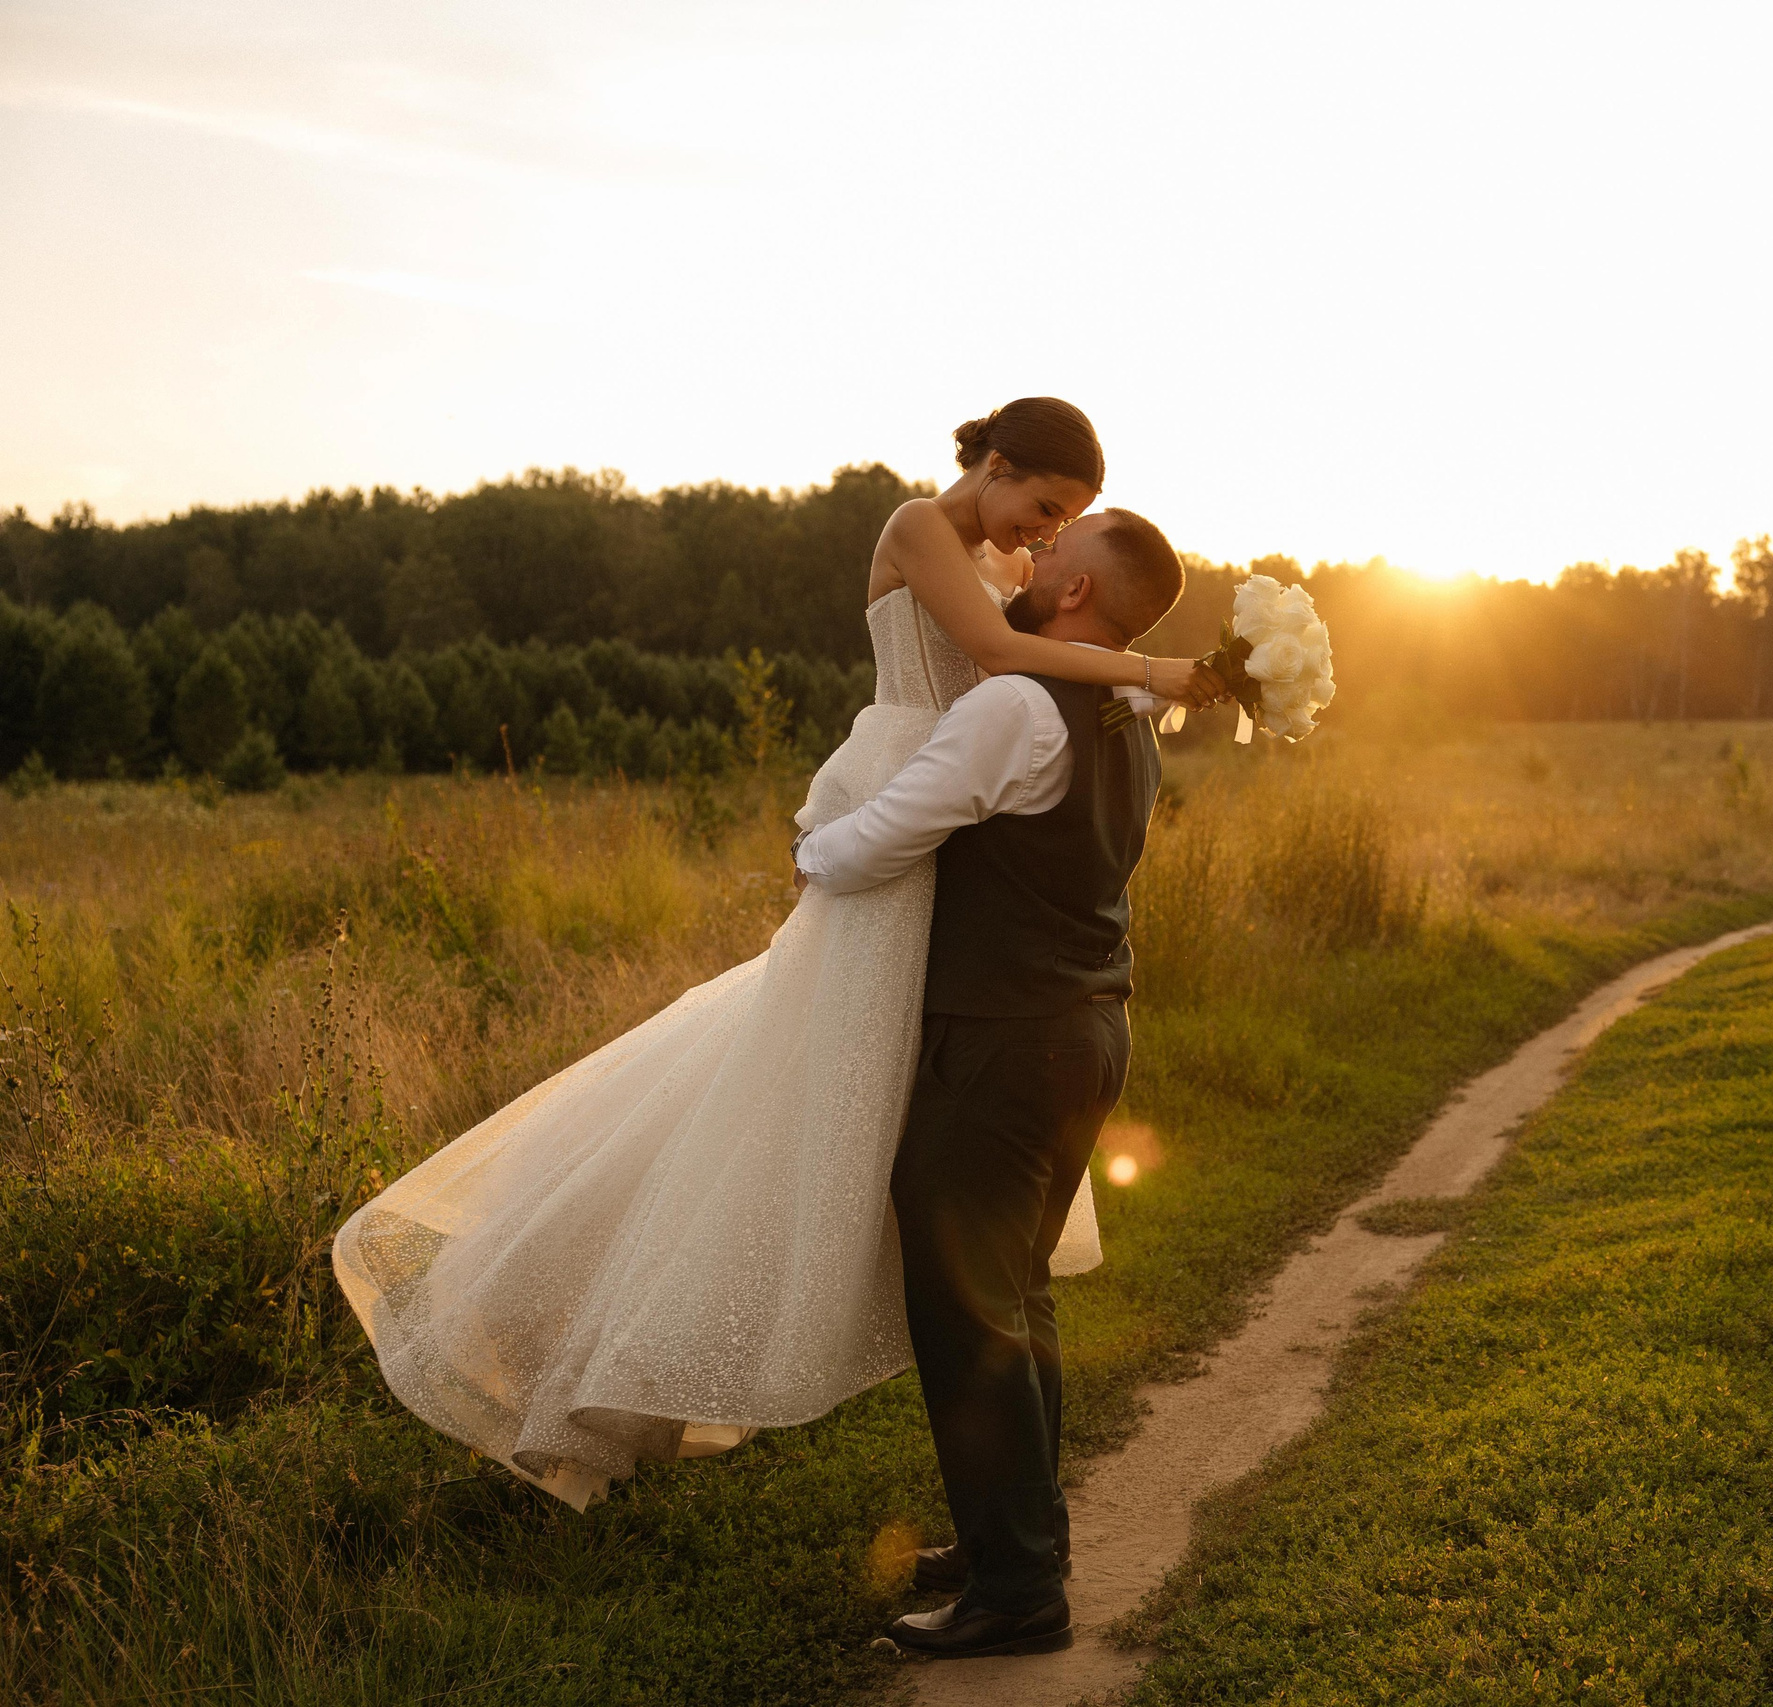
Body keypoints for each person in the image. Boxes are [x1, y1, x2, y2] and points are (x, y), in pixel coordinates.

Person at [330, 401, 1220, 1511]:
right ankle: (577, 1321)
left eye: (1064, 529)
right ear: (993, 465)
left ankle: (880, 1359)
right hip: (914, 781)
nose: (1043, 542)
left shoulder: (1015, 573)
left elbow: (1031, 666)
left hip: (954, 808)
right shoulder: (918, 526)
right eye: (1042, 510)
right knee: (789, 1073)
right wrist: (1154, 671)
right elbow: (993, 653)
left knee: (839, 1088)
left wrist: (1126, 673)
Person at [795, 507, 1185, 1658]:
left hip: (1006, 1039)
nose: (1035, 552)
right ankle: (1013, 1540)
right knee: (1015, 1294)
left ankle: (1017, 1592)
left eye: (1062, 548)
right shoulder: (1127, 707)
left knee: (965, 1306)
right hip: (1089, 1028)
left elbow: (885, 839)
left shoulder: (1018, 704)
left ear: (1073, 593)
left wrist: (810, 849)